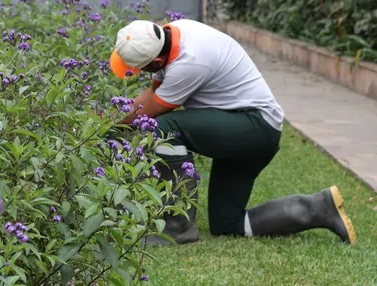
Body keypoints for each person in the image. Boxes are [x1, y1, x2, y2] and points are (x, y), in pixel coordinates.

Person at [109, 18, 357, 246]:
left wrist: (105, 126)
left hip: (254, 126)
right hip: (249, 130)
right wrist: (113, 118)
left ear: (156, 61)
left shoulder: (192, 60)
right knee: (227, 225)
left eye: (141, 68)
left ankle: (176, 225)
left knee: (161, 129)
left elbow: (149, 110)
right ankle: (317, 207)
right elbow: (152, 94)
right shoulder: (171, 34)